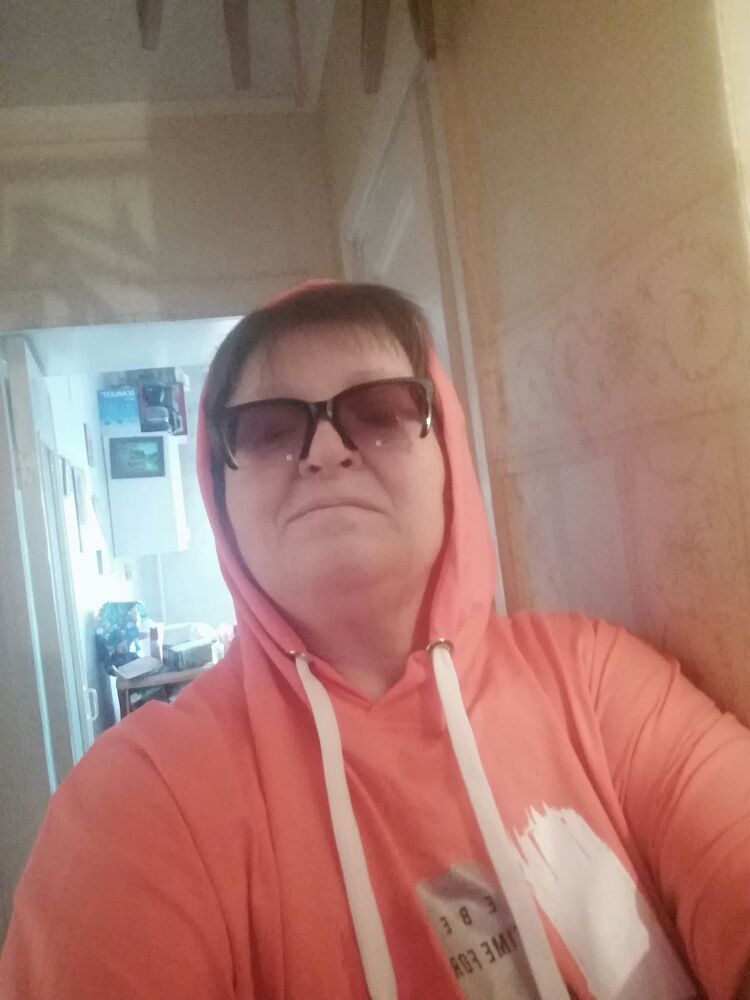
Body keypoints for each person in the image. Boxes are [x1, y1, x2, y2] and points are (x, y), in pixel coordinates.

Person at [1, 281, 749, 1000]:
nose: (326, 451)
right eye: (268, 428)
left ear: (450, 460)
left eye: (382, 412)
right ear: (219, 498)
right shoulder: (139, 802)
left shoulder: (592, 677)